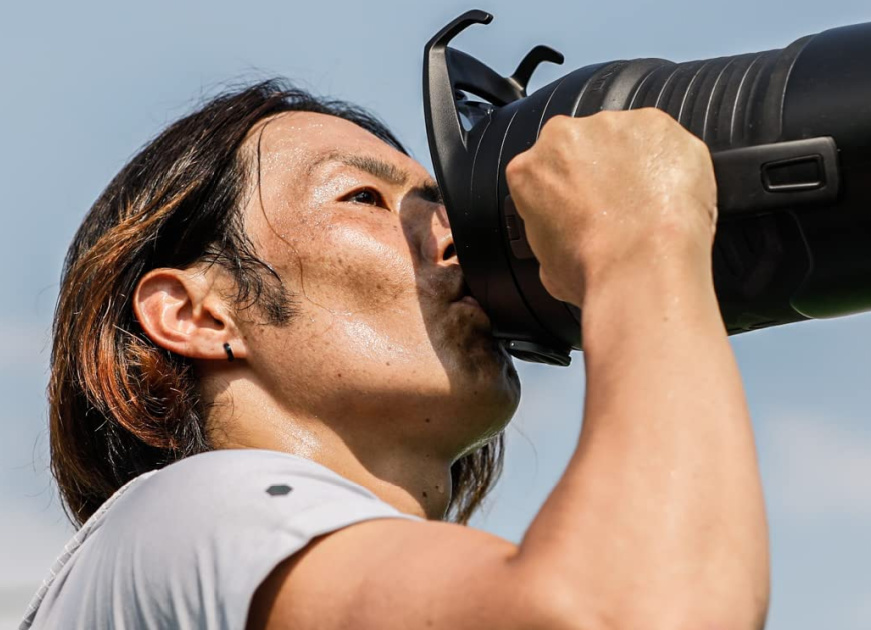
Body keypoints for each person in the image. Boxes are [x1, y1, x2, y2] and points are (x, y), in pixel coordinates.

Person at [23, 79, 769, 629]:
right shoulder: (193, 509)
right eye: (364, 200)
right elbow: (639, 611)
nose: (454, 240)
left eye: (443, 207)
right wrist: (636, 240)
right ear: (194, 313)